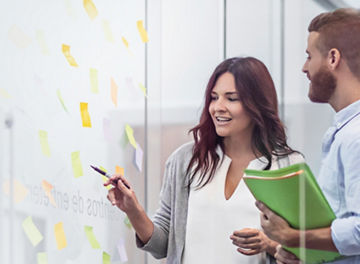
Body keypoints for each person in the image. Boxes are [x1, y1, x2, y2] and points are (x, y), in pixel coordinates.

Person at [104, 57, 303, 264]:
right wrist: (133, 210)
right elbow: (162, 245)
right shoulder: (185, 160)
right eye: (214, 97)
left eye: (231, 98)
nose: (218, 107)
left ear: (258, 104)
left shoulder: (289, 166)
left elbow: (306, 250)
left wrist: (269, 245)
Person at [256, 8, 360, 264]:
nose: (304, 68)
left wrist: (292, 237)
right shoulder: (343, 131)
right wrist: (302, 254)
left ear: (333, 58)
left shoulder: (356, 136)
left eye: (309, 56)